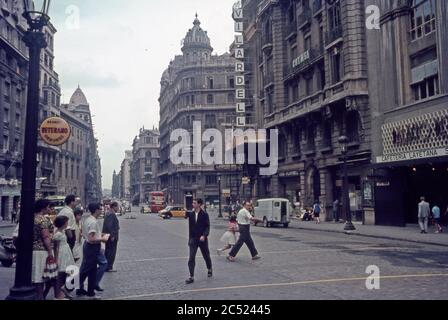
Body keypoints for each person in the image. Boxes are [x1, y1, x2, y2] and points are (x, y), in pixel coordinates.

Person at [76, 203, 109, 299]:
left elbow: (88, 234)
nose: (102, 210)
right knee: (86, 270)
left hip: (89, 246)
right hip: (91, 247)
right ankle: (68, 286)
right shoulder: (93, 222)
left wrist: (99, 235)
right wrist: (103, 239)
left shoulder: (88, 220)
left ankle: (91, 293)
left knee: (92, 271)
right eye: (100, 209)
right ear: (96, 210)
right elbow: (91, 239)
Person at [31, 199, 58, 300]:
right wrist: (50, 251)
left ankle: (39, 296)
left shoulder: (32, 217)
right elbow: (46, 237)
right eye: (48, 207)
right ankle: (40, 297)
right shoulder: (42, 220)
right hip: (41, 251)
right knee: (40, 277)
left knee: (36, 276)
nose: (49, 209)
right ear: (43, 208)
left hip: (33, 250)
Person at [184, 199, 212, 285]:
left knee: (206, 255)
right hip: (193, 239)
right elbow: (185, 216)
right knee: (191, 257)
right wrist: (186, 212)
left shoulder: (204, 215)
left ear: (199, 204)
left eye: (194, 203)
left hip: (202, 239)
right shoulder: (191, 214)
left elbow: (207, 227)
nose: (193, 204)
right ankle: (191, 276)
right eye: (192, 203)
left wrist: (204, 235)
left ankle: (209, 268)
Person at [52, 215, 75, 299]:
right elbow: (56, 247)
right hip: (62, 253)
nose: (67, 224)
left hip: (66, 251)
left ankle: (64, 288)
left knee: (70, 271)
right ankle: (59, 293)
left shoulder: (62, 232)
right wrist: (56, 259)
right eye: (66, 222)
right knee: (61, 273)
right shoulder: (57, 234)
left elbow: (70, 236)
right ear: (63, 224)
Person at [103, 202, 120, 272]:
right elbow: (110, 226)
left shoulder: (108, 213)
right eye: (117, 207)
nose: (118, 208)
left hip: (108, 236)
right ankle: (109, 267)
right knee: (111, 252)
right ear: (114, 207)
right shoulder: (111, 214)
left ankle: (107, 266)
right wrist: (112, 235)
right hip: (111, 237)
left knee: (108, 251)